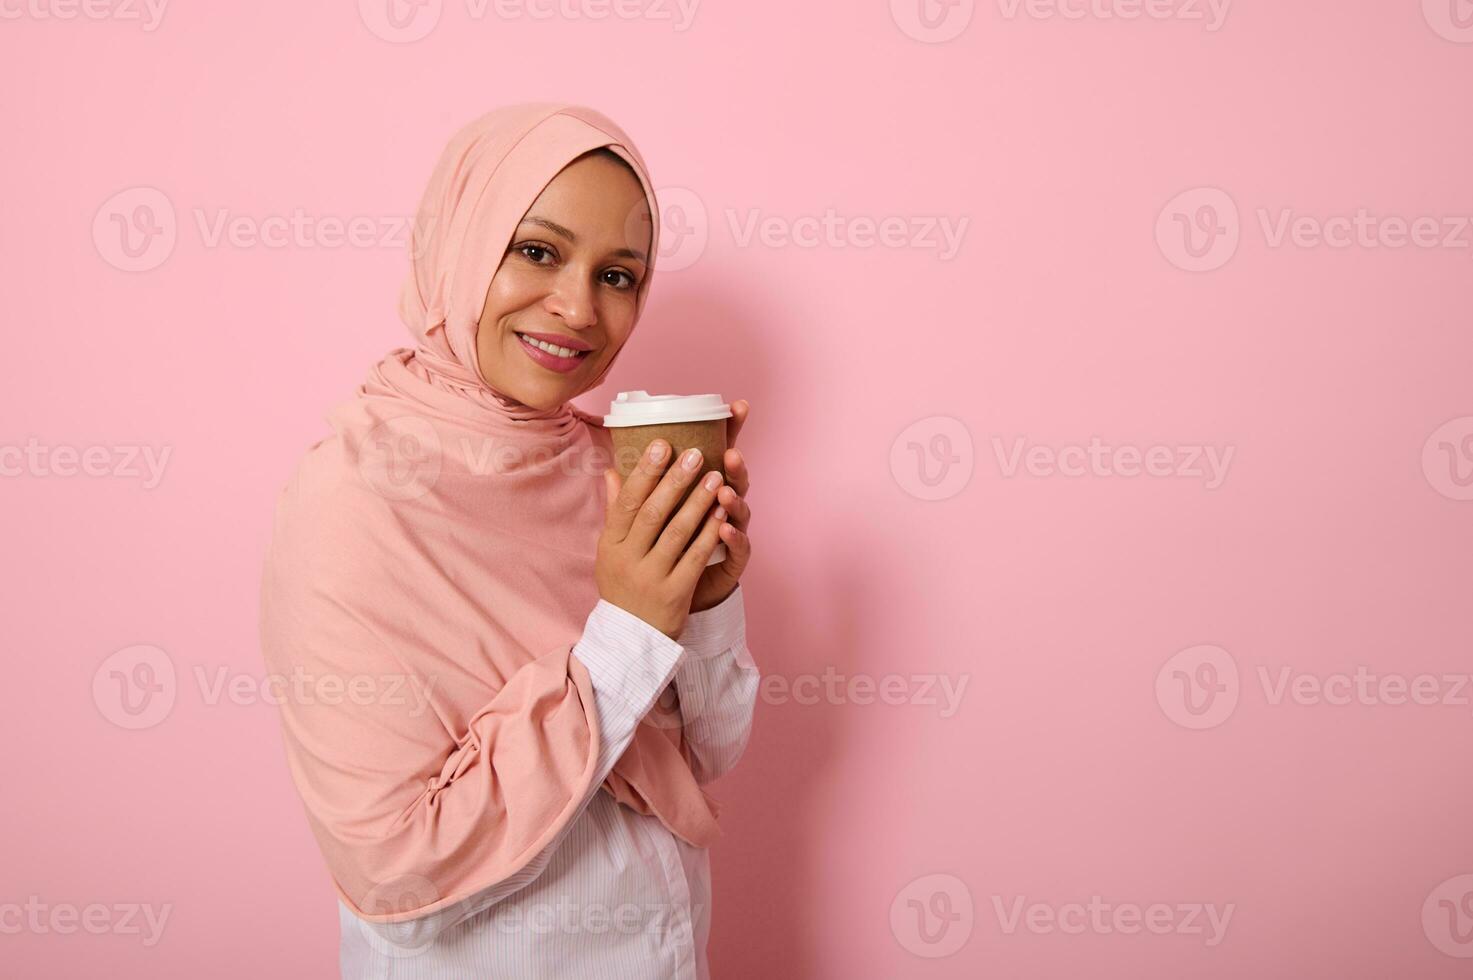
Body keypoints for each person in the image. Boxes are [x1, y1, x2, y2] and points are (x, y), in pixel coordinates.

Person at [258, 102, 759, 979]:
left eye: (619, 274)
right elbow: (396, 879)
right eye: (535, 250)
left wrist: (705, 595)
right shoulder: (353, 500)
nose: (576, 307)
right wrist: (629, 627)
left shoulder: (614, 466)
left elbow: (705, 758)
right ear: (459, 243)